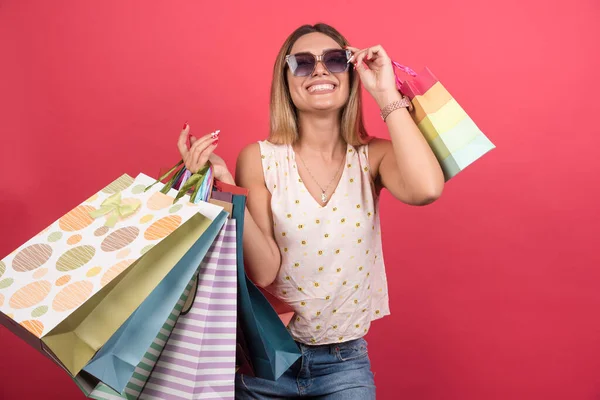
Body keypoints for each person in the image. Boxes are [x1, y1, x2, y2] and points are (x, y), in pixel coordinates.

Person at [177, 23, 444, 399]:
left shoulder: (372, 157)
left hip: (343, 363)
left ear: (351, 74)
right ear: (285, 82)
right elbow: (265, 270)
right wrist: (223, 187)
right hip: (266, 360)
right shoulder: (259, 159)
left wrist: (385, 92)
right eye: (302, 63)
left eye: (335, 60)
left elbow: (427, 188)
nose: (319, 70)